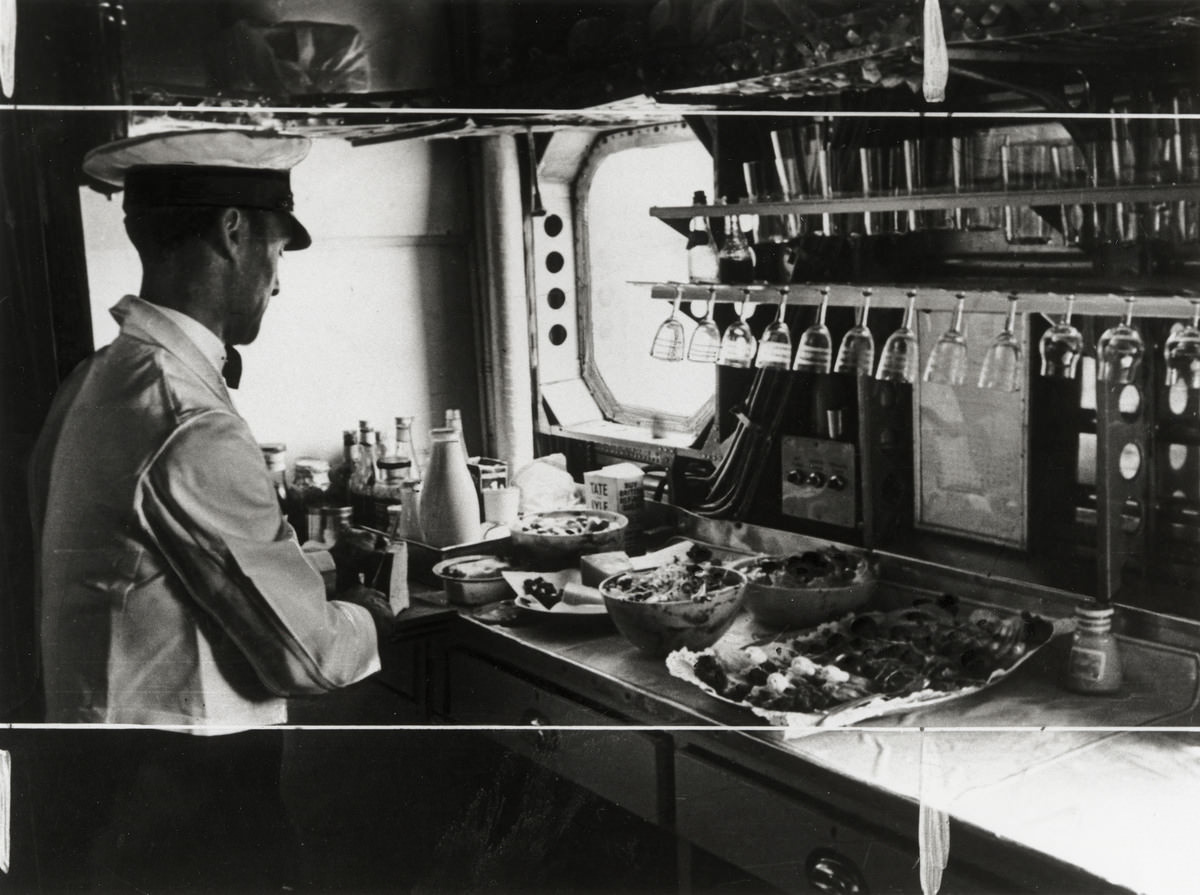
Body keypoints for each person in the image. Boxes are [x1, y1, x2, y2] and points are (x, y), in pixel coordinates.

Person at [25, 128, 396, 889]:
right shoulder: (190, 418)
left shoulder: (93, 383)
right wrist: (367, 611)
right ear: (233, 231)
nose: (278, 281)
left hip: (103, 789)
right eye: (278, 249)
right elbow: (308, 655)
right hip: (185, 811)